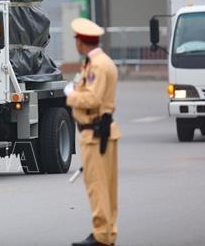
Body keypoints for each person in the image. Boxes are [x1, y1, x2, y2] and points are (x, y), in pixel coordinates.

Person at [64, 18, 121, 246]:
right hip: (100, 131)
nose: (76, 43)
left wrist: (71, 94)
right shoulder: (96, 62)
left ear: (81, 42)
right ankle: (105, 233)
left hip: (95, 132)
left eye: (76, 39)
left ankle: (101, 236)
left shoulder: (97, 65)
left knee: (98, 186)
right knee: (105, 187)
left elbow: (92, 98)